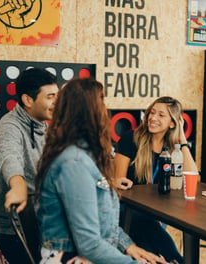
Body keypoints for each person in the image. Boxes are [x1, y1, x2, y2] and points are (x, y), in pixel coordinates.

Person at [35, 77, 166, 264]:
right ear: (90, 112)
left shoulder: (83, 155)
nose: (106, 111)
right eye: (102, 102)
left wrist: (129, 246)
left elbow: (102, 224)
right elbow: (88, 244)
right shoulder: (74, 163)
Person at [115, 96, 198, 263]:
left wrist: (182, 141)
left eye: (161, 115)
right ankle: (177, 260)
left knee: (150, 248)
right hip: (127, 211)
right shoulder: (131, 138)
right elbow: (118, 183)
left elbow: (193, 179)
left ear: (173, 123)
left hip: (156, 215)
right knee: (148, 226)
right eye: (152, 113)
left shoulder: (173, 149)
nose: (153, 118)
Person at [0, 67, 59, 264]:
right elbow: (7, 157)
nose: (57, 102)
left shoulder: (47, 126)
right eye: (50, 96)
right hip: (16, 230)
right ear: (28, 100)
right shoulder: (9, 127)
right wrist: (18, 184)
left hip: (43, 223)